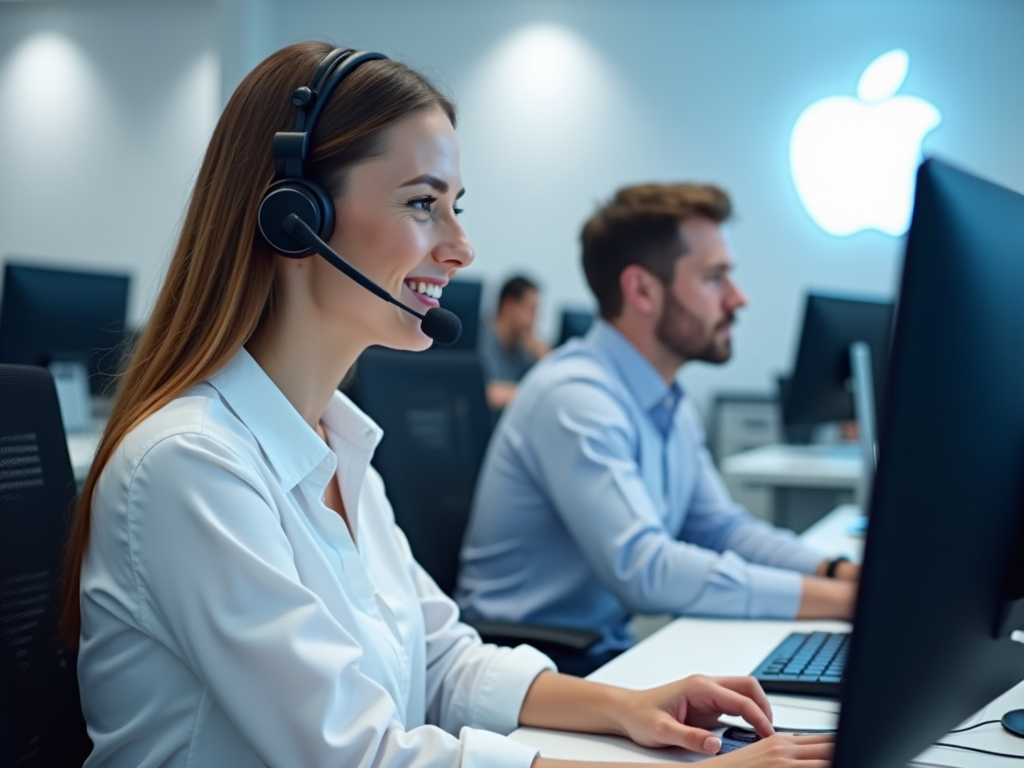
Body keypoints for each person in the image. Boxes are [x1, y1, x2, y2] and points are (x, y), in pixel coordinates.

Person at [60, 46, 831, 768]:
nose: (461, 248)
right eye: (425, 204)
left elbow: (442, 660)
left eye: (456, 205)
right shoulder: (190, 465)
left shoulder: (337, 444)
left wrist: (628, 707)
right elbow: (360, 754)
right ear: (294, 219)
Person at [457, 183, 860, 677]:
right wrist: (839, 601)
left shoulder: (668, 398)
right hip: (534, 663)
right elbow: (645, 569)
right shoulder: (576, 396)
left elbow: (721, 528)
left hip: (596, 652)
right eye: (715, 278)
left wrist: (837, 571)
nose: (738, 298)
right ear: (643, 290)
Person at [479, 275, 550, 410]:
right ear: (509, 305)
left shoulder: (523, 349)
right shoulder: (481, 338)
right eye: (532, 310)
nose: (535, 320)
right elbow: (486, 392)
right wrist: (533, 393)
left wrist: (545, 357)